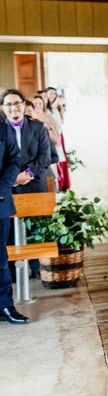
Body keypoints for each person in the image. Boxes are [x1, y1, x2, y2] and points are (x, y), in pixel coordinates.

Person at [3, 89, 53, 280]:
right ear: (3, 108)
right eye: (9, 105)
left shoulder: (38, 127)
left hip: (34, 184)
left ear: (24, 105)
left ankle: (39, 270)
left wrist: (28, 173)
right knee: (8, 232)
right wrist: (12, 177)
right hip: (8, 187)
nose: (14, 108)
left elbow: (45, 156)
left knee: (35, 230)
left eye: (17, 103)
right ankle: (12, 275)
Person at [0, 94, 26, 324]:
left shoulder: (3, 128)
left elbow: (13, 160)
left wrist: (1, 187)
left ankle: (5, 307)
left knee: (0, 258)